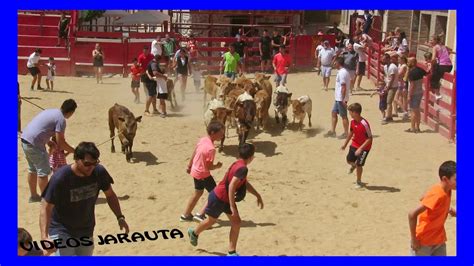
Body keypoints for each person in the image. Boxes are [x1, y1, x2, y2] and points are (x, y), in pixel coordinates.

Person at [40, 142, 130, 256]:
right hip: (61, 229)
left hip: (86, 229)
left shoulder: (99, 172)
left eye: (95, 163)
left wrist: (120, 217)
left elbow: (110, 195)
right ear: (76, 159)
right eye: (87, 164)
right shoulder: (60, 178)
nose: (91, 167)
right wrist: (44, 236)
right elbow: (45, 206)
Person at [187, 143, 264, 256]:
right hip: (222, 198)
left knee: (212, 220)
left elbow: (243, 182)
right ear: (251, 157)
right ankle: (231, 252)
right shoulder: (243, 168)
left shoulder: (238, 163)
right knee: (235, 222)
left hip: (216, 195)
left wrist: (257, 195)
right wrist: (232, 206)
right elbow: (232, 185)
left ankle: (194, 233)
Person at [21, 99, 77, 203]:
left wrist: (48, 141)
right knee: (43, 171)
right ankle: (46, 199)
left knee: (32, 169)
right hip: (35, 144)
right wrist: (74, 151)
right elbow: (61, 142)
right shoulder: (61, 119)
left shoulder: (51, 111)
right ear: (71, 112)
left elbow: (42, 129)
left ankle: (33, 196)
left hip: (25, 139)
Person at [408, 160, 456, 256]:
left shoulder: (448, 189)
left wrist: (448, 209)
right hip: (423, 242)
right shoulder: (437, 194)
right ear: (445, 179)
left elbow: (423, 197)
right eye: (456, 180)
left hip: (439, 240)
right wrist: (413, 239)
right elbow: (412, 214)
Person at [181, 121, 225, 222]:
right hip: (203, 173)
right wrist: (217, 166)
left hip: (195, 171)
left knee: (198, 192)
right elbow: (209, 167)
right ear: (213, 133)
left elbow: (195, 152)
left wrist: (189, 165)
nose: (222, 136)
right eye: (221, 133)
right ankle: (200, 215)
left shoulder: (203, 139)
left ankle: (186, 215)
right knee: (216, 193)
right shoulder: (211, 149)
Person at [340, 103, 373, 189]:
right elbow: (351, 133)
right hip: (355, 144)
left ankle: (359, 181)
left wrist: (360, 149)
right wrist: (345, 144)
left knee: (359, 164)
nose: (349, 114)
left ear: (355, 112)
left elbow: (370, 138)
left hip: (365, 147)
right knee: (349, 160)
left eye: (350, 112)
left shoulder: (364, 124)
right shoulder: (352, 122)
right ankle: (353, 166)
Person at [324, 57, 350, 139]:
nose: (334, 64)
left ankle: (346, 133)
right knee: (334, 113)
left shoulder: (342, 73)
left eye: (335, 63)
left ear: (338, 63)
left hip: (340, 98)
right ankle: (332, 131)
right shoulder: (342, 72)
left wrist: (342, 99)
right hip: (338, 98)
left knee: (344, 116)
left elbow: (343, 87)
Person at [406, 57, 427, 133]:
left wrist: (409, 95)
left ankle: (412, 128)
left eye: (408, 62)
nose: (407, 63)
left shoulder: (412, 73)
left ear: (412, 63)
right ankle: (417, 127)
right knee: (417, 110)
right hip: (420, 92)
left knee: (413, 111)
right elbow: (428, 73)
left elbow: (412, 85)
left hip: (414, 93)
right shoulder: (420, 70)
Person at [430, 35, 453, 101]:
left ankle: (437, 95)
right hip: (449, 66)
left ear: (435, 41)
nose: (431, 41)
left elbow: (433, 59)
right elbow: (450, 50)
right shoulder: (444, 46)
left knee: (433, 79)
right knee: (437, 75)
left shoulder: (435, 47)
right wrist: (445, 56)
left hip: (443, 66)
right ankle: (438, 84)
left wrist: (431, 66)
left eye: (432, 40)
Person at [382, 52, 399, 124]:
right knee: (388, 101)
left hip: (392, 86)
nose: (383, 60)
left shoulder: (392, 67)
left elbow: (392, 78)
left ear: (389, 59)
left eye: (384, 59)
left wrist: (387, 87)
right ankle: (389, 116)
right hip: (389, 85)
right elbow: (387, 77)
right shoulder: (385, 67)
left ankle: (388, 117)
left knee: (389, 101)